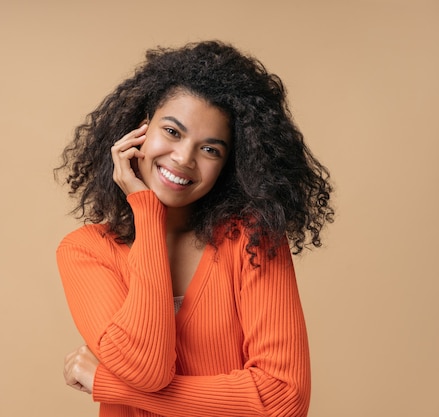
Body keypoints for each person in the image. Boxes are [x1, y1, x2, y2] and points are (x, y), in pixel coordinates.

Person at [55, 40, 334, 417]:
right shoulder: (86, 251)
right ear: (141, 129)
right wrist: (147, 213)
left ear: (229, 165)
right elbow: (146, 368)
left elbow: (282, 400)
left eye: (210, 150)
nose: (183, 158)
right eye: (172, 131)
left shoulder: (251, 239)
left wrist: (108, 383)